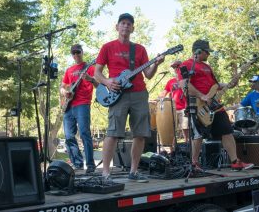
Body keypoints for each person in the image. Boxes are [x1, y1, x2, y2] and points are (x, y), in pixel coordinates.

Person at [94, 13, 165, 181]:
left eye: (129, 24)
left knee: (140, 134)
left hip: (139, 93)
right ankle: (105, 172)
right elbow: (97, 73)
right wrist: (108, 82)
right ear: (117, 27)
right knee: (112, 133)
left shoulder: (139, 49)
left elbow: (148, 75)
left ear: (133, 28)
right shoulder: (107, 47)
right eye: (123, 23)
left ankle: (133, 171)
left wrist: (156, 64)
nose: (126, 26)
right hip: (117, 94)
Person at [178, 39, 254, 171]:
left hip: (215, 105)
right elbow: (184, 85)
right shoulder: (186, 65)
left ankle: (235, 162)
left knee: (227, 131)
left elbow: (216, 86)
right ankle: (195, 164)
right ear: (199, 51)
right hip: (198, 105)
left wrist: (231, 83)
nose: (209, 55)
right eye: (207, 52)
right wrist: (202, 96)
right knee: (198, 135)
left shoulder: (207, 67)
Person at [60, 44, 98, 174]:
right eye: (73, 53)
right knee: (69, 136)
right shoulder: (69, 70)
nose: (76, 55)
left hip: (82, 104)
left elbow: (99, 85)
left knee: (84, 133)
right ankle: (77, 163)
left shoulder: (90, 68)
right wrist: (65, 92)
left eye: (78, 52)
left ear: (82, 52)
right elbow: (62, 87)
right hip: (69, 105)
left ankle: (91, 164)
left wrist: (90, 79)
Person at [159, 60, 189, 143]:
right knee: (171, 130)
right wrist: (157, 99)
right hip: (172, 109)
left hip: (184, 108)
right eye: (174, 67)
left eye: (177, 66)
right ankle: (172, 152)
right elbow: (164, 92)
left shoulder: (186, 79)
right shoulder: (170, 81)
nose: (175, 68)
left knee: (186, 129)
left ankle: (188, 149)